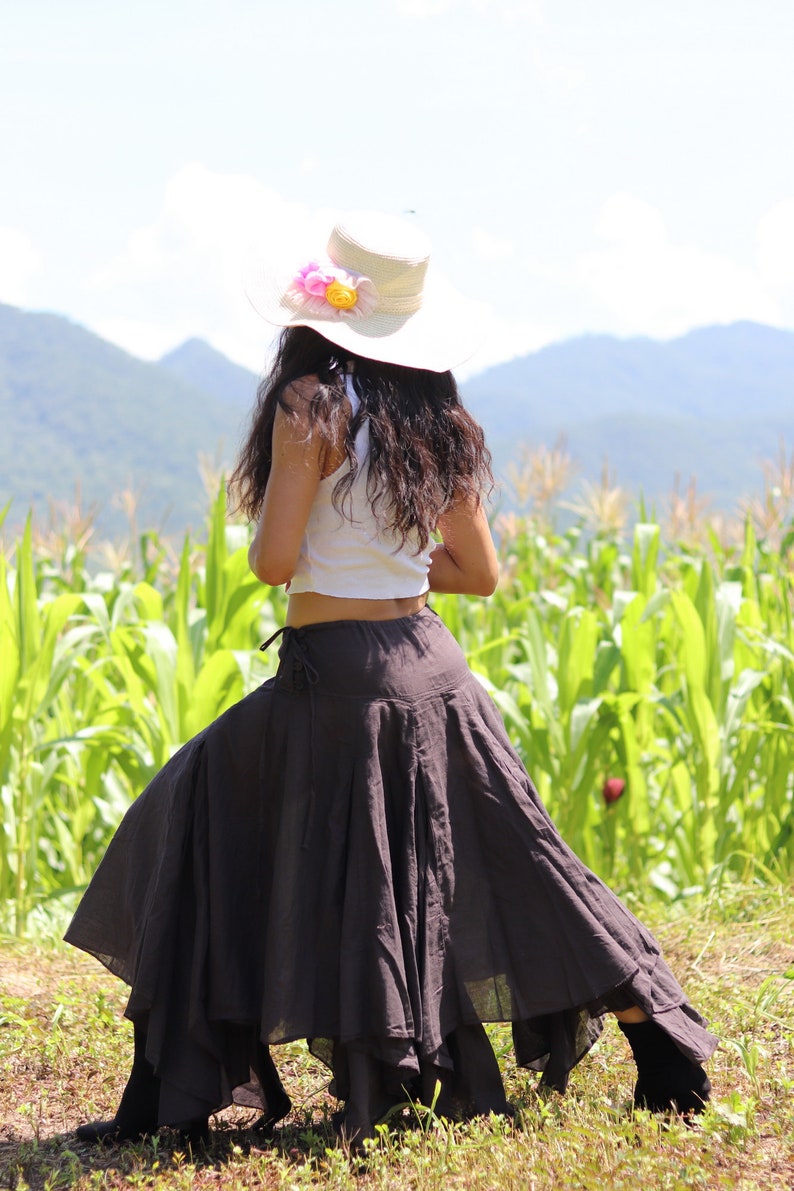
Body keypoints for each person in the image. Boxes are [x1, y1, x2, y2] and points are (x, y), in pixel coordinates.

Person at [65, 212, 715, 1150]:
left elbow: (274, 562)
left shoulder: (308, 410)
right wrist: (396, 572)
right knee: (525, 855)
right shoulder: (438, 420)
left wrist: (312, 512)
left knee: (197, 808)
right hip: (431, 671)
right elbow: (479, 573)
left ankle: (169, 1086)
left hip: (338, 681)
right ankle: (656, 1030)